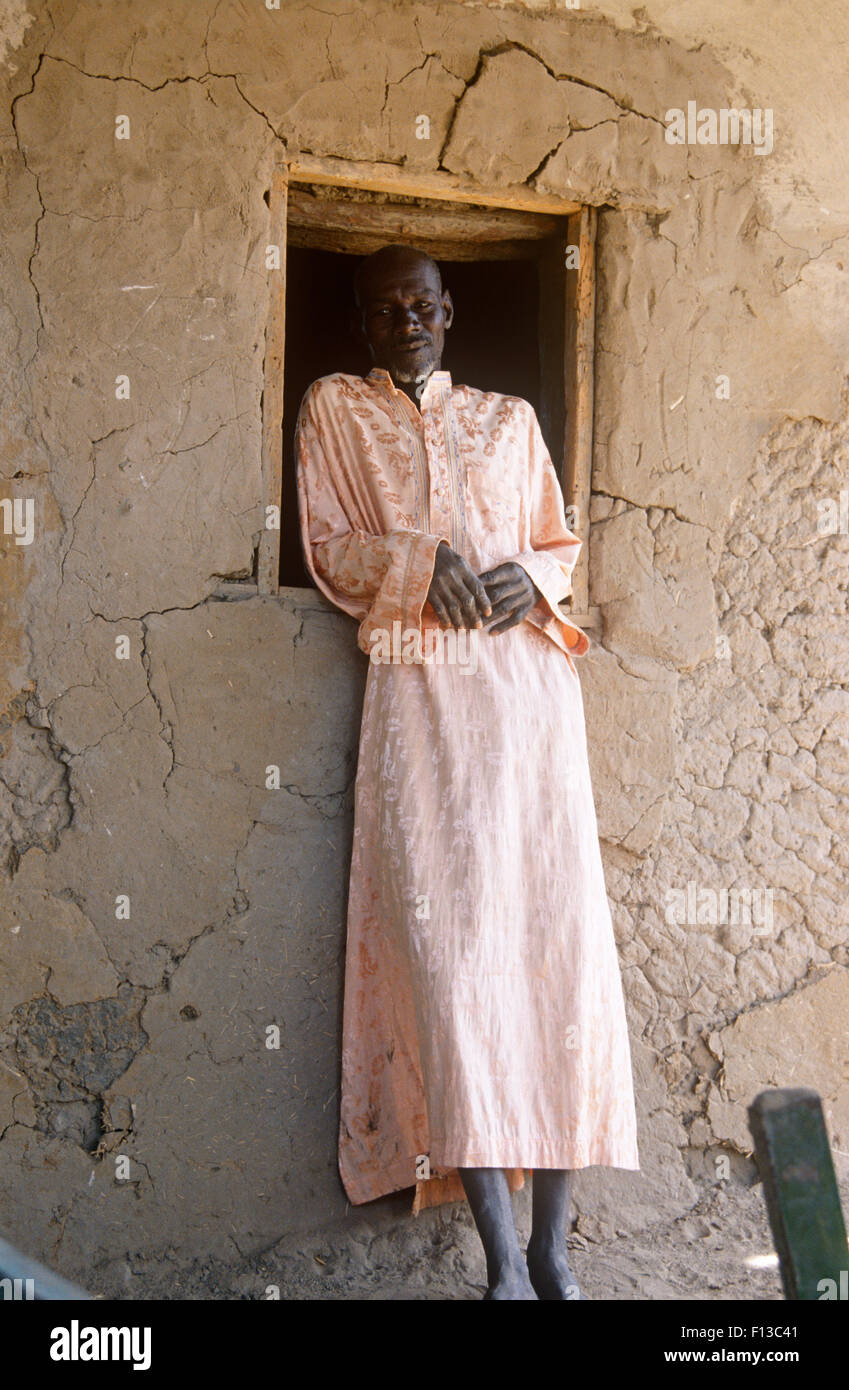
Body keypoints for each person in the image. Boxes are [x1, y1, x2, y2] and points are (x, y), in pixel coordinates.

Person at [296, 243, 639, 1300]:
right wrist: (416, 564)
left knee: (554, 956)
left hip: (528, 704)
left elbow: (555, 540)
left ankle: (554, 1252)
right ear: (363, 324)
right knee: (451, 969)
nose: (408, 319)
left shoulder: (510, 417)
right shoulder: (335, 411)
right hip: (421, 693)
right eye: (387, 306)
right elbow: (327, 541)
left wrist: (519, 579)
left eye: (425, 304)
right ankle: (499, 1261)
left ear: (450, 314)